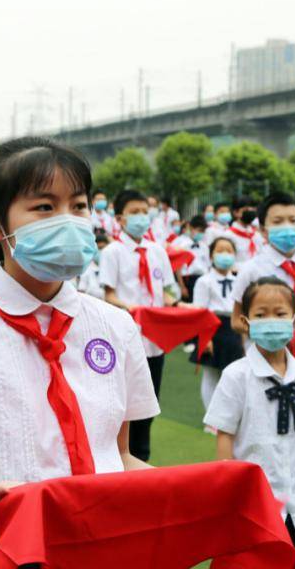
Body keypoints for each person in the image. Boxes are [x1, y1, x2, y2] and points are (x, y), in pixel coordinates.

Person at [0, 137, 158, 568]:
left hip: (107, 544)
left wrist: (198, 488)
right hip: (6, 543)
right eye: (44, 207)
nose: (69, 221)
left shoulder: (116, 326)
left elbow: (119, 456)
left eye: (78, 206)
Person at [203, 277, 295, 569]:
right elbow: (224, 437)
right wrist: (228, 497)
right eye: (261, 314)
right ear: (245, 321)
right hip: (255, 505)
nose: (271, 321)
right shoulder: (236, 375)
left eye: (280, 314)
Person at [99, 188, 176, 462]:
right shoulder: (113, 252)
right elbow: (108, 294)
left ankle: (141, 459)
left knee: (148, 404)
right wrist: (131, 309)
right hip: (125, 340)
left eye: (144, 212)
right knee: (123, 407)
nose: (141, 217)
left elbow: (167, 291)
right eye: (134, 213)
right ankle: (119, 459)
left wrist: (176, 305)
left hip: (154, 342)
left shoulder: (157, 251)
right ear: (120, 219)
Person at [231, 193, 295, 333]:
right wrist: (270, 334)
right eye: (278, 222)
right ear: (263, 230)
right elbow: (236, 321)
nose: (288, 227)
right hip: (265, 352)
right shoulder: (251, 270)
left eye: (294, 221)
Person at [190, 237, 242, 423]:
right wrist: (206, 338)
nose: (225, 255)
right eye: (220, 250)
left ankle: (227, 416)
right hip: (212, 326)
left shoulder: (238, 280)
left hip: (232, 327)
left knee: (231, 373)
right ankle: (211, 418)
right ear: (211, 255)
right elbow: (200, 310)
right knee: (211, 373)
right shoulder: (205, 281)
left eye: (229, 251)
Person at [171, 215, 210, 301]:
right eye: (199, 230)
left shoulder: (204, 246)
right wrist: (182, 286)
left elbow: (208, 266)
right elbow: (178, 268)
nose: (201, 233)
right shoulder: (183, 245)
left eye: (203, 231)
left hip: (202, 278)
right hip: (188, 280)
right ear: (191, 228)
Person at [227, 196, 262, 265]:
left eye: (253, 209)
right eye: (246, 210)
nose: (250, 212)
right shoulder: (228, 236)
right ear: (236, 213)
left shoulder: (256, 235)